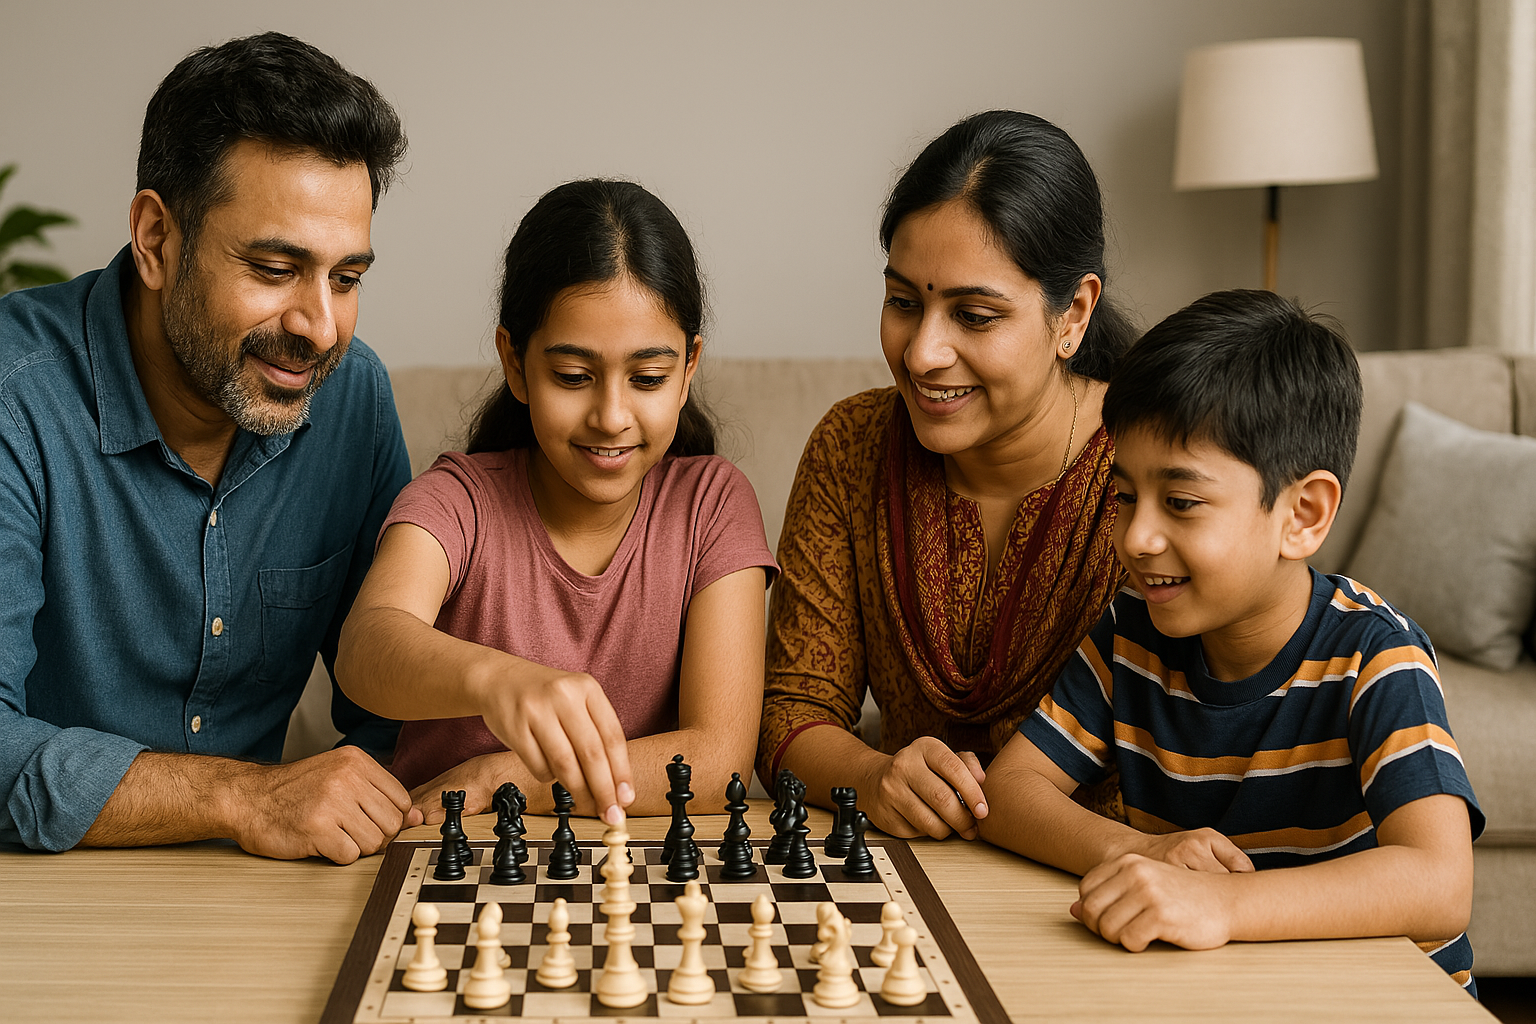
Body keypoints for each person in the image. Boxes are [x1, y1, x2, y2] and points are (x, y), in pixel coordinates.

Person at [979, 291, 1483, 993]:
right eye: (1124, 497)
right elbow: (1009, 791)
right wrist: (1144, 852)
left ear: (1302, 515)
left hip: (1376, 997)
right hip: (1234, 986)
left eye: (1181, 503)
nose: (1137, 538)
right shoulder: (1129, 636)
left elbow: (1440, 883)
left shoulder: (1376, 656)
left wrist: (1223, 902)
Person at [0, 33, 419, 864]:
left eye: (346, 278)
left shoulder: (354, 399)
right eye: (274, 268)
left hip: (263, 893)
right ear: (157, 238)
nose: (319, 328)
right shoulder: (16, 400)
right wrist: (242, 797)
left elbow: (392, 710)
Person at [338, 179, 777, 826]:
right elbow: (365, 649)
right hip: (449, 859)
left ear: (688, 370)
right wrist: (500, 681)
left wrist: (511, 777)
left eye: (648, 378)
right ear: (515, 363)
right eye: (573, 377)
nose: (611, 416)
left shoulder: (712, 505)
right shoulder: (457, 499)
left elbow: (719, 760)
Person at [759, 110, 1136, 840]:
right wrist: (872, 777)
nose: (923, 353)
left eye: (975, 315)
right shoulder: (852, 448)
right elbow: (793, 712)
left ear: (1073, 314)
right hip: (913, 871)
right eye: (904, 303)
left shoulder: (1150, 471)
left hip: (1118, 876)